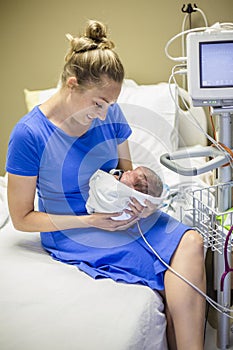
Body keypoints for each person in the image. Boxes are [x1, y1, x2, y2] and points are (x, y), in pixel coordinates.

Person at [6, 20, 206, 350]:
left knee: (193, 242)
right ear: (72, 85)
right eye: (98, 103)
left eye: (110, 105)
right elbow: (22, 218)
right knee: (178, 271)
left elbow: (125, 171)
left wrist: (139, 201)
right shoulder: (30, 135)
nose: (104, 115)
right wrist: (91, 221)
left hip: (118, 213)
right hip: (74, 229)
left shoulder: (110, 114)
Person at [86, 166, 166, 220]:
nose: (127, 171)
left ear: (133, 189)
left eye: (130, 174)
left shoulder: (124, 197)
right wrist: (89, 221)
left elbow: (97, 180)